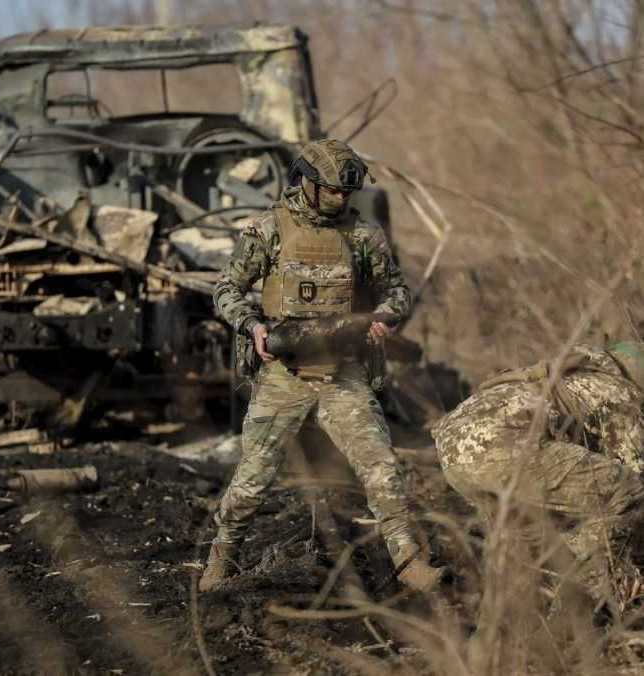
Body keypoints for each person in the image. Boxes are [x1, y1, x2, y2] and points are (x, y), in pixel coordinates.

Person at [198, 139, 442, 592]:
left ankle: (409, 561)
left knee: (381, 468)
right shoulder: (268, 229)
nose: (340, 199)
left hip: (342, 375)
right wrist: (252, 327)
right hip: (283, 376)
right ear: (307, 184)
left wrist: (385, 319)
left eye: (346, 192)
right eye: (331, 190)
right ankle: (221, 557)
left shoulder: (363, 235)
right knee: (252, 482)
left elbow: (397, 293)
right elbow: (226, 289)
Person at [431, 342, 644, 608]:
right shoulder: (620, 393)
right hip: (500, 444)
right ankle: (579, 604)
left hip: (453, 452)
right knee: (628, 492)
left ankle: (499, 633)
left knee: (529, 544)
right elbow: (633, 478)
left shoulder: (568, 376)